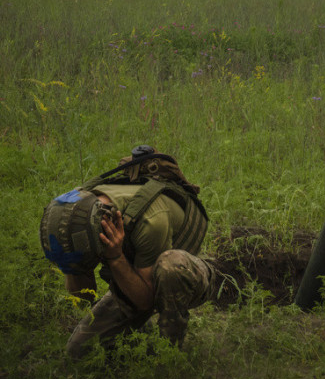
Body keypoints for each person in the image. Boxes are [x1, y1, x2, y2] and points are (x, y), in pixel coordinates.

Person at [40, 146, 221, 359]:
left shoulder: (151, 219)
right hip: (138, 271)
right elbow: (82, 297)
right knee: (79, 351)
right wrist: (71, 263)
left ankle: (170, 355)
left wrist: (115, 257)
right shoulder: (75, 211)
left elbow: (145, 299)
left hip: (187, 273)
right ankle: (139, 334)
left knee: (170, 267)